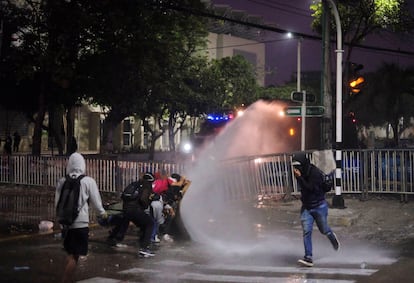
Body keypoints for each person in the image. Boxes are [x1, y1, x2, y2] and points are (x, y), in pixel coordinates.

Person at [55, 152, 108, 283]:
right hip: (80, 224)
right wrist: (102, 213)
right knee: (75, 255)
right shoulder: (88, 181)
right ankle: (65, 280)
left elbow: (57, 202)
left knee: (70, 252)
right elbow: (96, 202)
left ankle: (68, 278)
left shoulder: (62, 181)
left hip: (66, 223)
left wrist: (61, 220)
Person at [292, 152, 340, 267]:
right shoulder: (300, 172)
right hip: (307, 207)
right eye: (294, 166)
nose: (296, 168)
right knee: (306, 232)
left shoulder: (314, 173)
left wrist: (299, 177)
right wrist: (299, 177)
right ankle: (308, 257)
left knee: (324, 230)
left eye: (298, 165)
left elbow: (309, 188)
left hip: (319, 206)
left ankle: (332, 237)